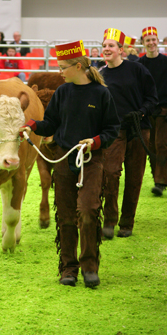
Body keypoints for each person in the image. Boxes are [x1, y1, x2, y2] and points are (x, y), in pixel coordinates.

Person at [19, 40, 120, 288]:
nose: (60, 72)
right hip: (64, 161)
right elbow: (51, 124)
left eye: (63, 67)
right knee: (65, 216)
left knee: (88, 211)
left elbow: (112, 129)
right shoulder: (62, 93)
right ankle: (68, 268)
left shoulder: (101, 93)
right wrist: (32, 125)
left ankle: (89, 267)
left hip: (91, 160)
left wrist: (95, 142)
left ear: (77, 66)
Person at [100, 28, 158, 239]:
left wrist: (142, 112)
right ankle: (109, 221)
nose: (107, 49)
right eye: (104, 45)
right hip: (114, 131)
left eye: (111, 46)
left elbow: (152, 98)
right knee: (111, 174)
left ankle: (127, 222)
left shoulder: (138, 70)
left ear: (121, 50)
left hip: (139, 129)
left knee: (134, 178)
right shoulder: (100, 75)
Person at [138, 26, 167, 196]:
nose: (151, 43)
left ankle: (160, 181)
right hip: (146, 110)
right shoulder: (138, 65)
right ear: (143, 43)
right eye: (147, 40)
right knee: (149, 146)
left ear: (157, 41)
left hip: (164, 109)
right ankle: (157, 176)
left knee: (161, 145)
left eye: (153, 39)